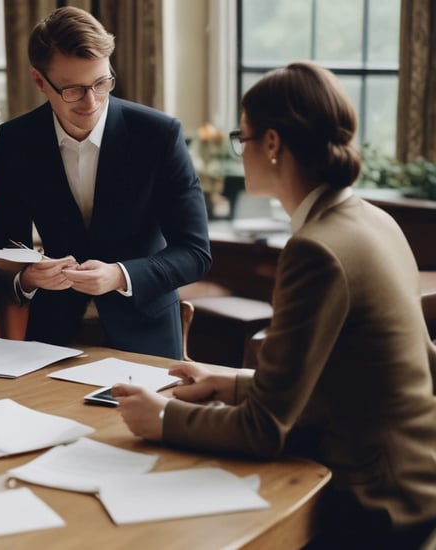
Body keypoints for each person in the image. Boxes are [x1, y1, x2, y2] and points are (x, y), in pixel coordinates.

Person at [112, 61, 436, 547]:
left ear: (271, 143)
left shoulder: (317, 249)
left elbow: (264, 429)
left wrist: (160, 418)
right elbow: (347, 379)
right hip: (416, 480)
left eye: (241, 138)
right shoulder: (373, 220)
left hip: (371, 505)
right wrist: (231, 382)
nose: (240, 152)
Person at [0, 6, 210, 360]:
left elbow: (195, 252)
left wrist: (120, 275)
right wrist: (30, 277)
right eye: (73, 90)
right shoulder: (15, 140)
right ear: (39, 81)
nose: (91, 102)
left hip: (145, 337)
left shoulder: (158, 134)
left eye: (101, 83)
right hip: (53, 336)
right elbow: (3, 248)